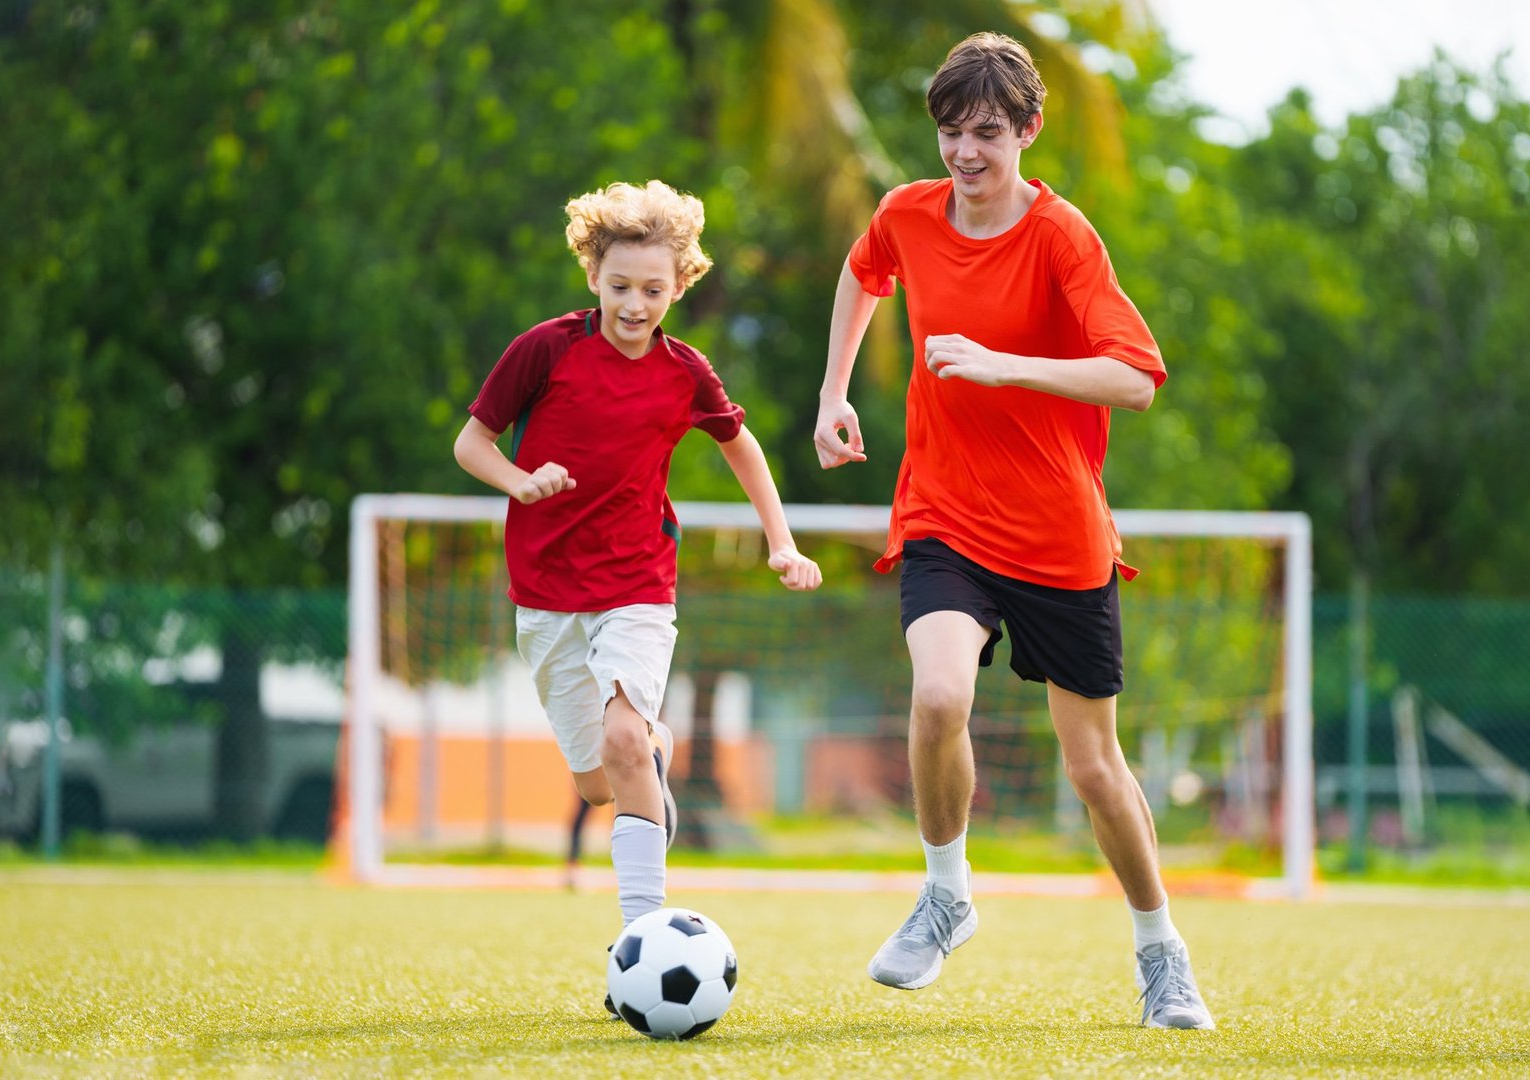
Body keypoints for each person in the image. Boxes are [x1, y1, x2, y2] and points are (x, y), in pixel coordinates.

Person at [812, 33, 1213, 1030]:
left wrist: (1004, 364)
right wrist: (832, 393)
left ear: (1028, 129)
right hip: (943, 511)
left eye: (986, 132)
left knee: (1093, 769)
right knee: (940, 691)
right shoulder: (907, 211)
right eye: (950, 131)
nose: (965, 153)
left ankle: (1162, 950)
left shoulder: (1062, 237)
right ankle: (947, 893)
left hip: (1058, 536)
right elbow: (865, 274)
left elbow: (1135, 377)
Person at [456, 179, 822, 1015]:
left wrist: (782, 542)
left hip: (637, 585)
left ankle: (639, 944)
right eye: (620, 285)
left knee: (625, 743)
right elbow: (471, 442)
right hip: (547, 596)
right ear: (592, 274)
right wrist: (521, 480)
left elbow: (744, 447)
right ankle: (643, 761)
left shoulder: (684, 371)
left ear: (678, 288)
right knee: (598, 784)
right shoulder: (544, 351)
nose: (634, 303)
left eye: (653, 290)